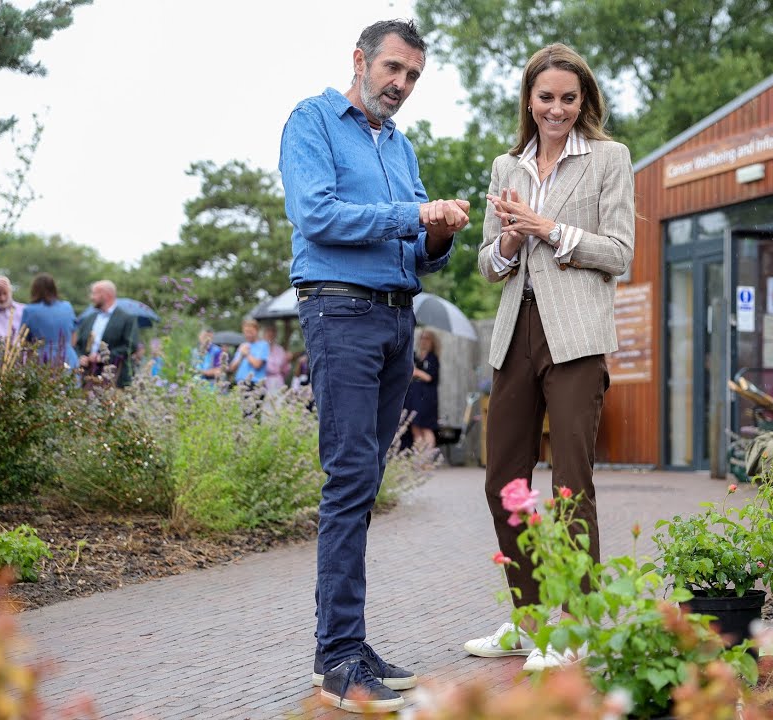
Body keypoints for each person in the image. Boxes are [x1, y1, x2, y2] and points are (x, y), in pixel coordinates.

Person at [278, 18, 470, 714]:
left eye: (413, 75)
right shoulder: (312, 122)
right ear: (359, 60)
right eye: (393, 68)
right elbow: (317, 216)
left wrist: (437, 234)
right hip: (340, 313)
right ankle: (337, 657)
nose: (402, 84)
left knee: (364, 483)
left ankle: (348, 645)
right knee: (348, 480)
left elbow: (418, 251)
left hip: (395, 318)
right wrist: (413, 213)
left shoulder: (401, 144)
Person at [462, 43, 636, 674]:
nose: (556, 109)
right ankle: (529, 620)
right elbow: (488, 265)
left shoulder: (609, 159)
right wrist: (510, 239)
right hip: (516, 332)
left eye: (568, 97)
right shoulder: (505, 166)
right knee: (503, 481)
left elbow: (620, 252)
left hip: (576, 338)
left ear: (583, 99)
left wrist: (548, 229)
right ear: (529, 101)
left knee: (569, 484)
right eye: (545, 98)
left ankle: (580, 627)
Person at [73, 280, 139, 389]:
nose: (91, 297)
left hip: (114, 377)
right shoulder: (89, 318)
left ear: (106, 295)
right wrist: (80, 356)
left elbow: (131, 345)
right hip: (88, 375)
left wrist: (104, 357)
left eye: (94, 294)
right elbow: (78, 345)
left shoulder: (127, 319)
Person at [19, 273, 80, 371]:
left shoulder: (30, 310)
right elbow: (74, 336)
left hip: (43, 359)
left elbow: (24, 342)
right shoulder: (67, 306)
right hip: (69, 359)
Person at [402, 330, 441, 452]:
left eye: (427, 338)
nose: (424, 341)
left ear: (432, 342)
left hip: (427, 399)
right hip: (414, 398)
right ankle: (419, 458)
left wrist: (416, 371)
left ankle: (428, 458)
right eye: (422, 338)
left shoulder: (432, 358)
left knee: (426, 428)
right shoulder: (415, 357)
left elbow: (429, 377)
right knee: (415, 427)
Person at [228, 318, 270, 411]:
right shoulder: (243, 346)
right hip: (240, 384)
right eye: (246, 332)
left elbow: (257, 365)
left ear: (257, 331)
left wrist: (247, 354)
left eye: (251, 331)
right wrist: (241, 355)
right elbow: (232, 368)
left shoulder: (263, 345)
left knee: (252, 415)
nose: (248, 334)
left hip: (255, 385)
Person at [261, 323, 292, 398]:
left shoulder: (280, 349)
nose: (270, 334)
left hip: (278, 382)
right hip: (264, 382)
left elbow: (285, 370)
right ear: (264, 334)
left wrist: (287, 360)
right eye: (268, 332)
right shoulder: (260, 348)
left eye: (273, 332)